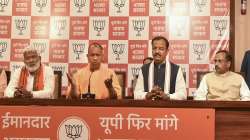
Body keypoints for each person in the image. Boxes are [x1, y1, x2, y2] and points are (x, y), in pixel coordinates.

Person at [134, 36, 187, 100]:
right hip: (149, 108)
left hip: (169, 108)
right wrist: (147, 95)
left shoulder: (176, 69)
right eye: (154, 48)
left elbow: (183, 94)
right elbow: (136, 94)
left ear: (167, 51)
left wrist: (168, 97)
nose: (157, 51)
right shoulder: (144, 69)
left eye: (161, 49)